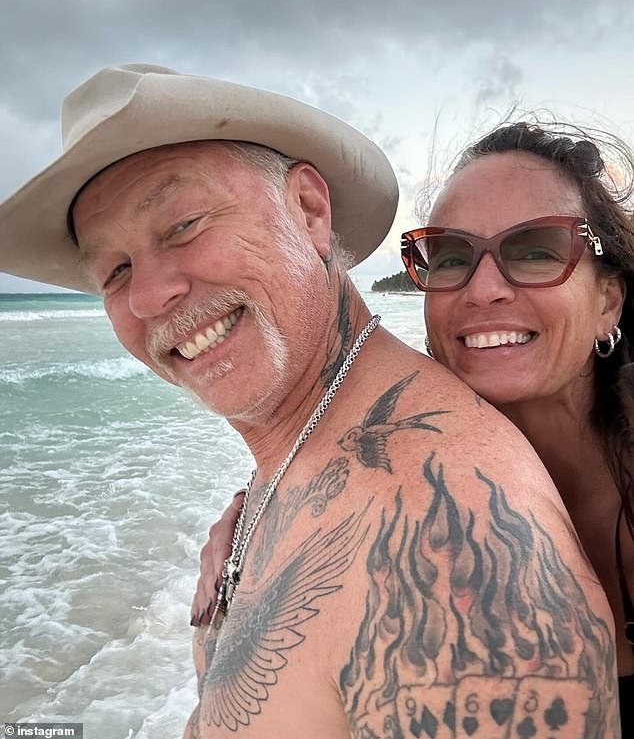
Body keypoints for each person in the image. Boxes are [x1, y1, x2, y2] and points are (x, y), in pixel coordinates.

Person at [0, 66, 620, 738]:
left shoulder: (451, 540)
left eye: (182, 224)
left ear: (309, 210)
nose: (149, 296)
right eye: (114, 272)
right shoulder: (304, 453)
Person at [194, 119, 634, 735]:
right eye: (451, 256)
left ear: (608, 300)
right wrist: (255, 529)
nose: (484, 290)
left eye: (536, 249)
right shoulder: (405, 469)